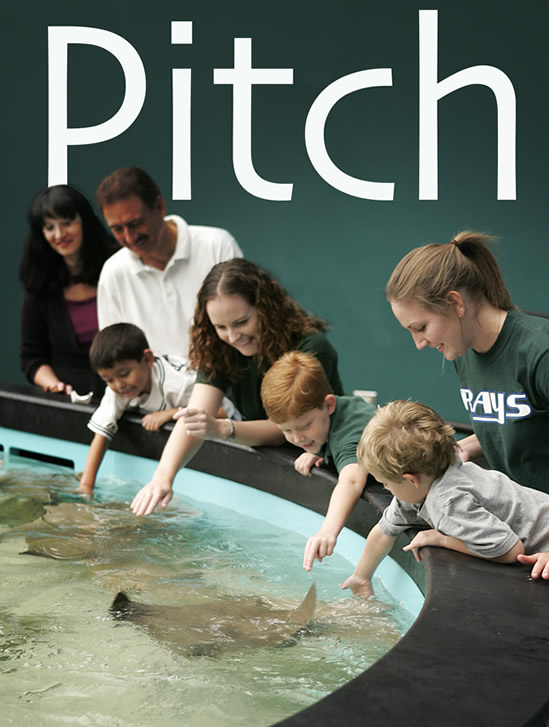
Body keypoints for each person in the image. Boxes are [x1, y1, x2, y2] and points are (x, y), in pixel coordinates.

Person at [131, 258, 344, 516]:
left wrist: (223, 429)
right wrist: (162, 478)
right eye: (220, 327)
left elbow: (289, 427)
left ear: (265, 308)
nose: (232, 337)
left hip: (323, 459)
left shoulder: (311, 346)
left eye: (241, 322)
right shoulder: (218, 347)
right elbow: (195, 417)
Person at [386, 231, 549, 494]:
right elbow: (518, 428)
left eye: (421, 327)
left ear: (455, 303)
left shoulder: (541, 352)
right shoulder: (463, 353)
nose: (419, 343)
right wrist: (461, 448)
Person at [340, 400, 549, 598]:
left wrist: (442, 539)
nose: (386, 489)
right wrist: (361, 576)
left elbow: (509, 550)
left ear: (410, 480)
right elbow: (384, 531)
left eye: (385, 483)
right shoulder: (434, 474)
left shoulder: (447, 502)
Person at [95, 166, 242, 357]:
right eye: (117, 229)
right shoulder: (112, 274)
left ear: (160, 206)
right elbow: (116, 358)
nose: (130, 237)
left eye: (136, 224)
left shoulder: (217, 245)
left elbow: (247, 327)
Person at [260, 351, 376, 571]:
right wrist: (321, 450)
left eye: (305, 426)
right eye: (286, 430)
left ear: (328, 405)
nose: (297, 438)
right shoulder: (337, 413)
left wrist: (327, 531)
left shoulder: (349, 437)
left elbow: (352, 480)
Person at [20, 184, 117, 398]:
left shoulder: (118, 267)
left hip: (133, 400)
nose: (59, 234)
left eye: (66, 223)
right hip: (72, 404)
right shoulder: (40, 286)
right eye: (49, 227)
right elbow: (33, 358)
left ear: (85, 221)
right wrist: (55, 385)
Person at [79, 323, 197, 494]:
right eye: (108, 380)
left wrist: (170, 414)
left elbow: (220, 412)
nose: (119, 385)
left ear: (148, 359)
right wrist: (85, 487)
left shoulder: (178, 384)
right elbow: (101, 435)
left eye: (124, 374)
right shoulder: (117, 390)